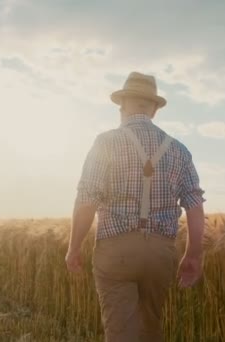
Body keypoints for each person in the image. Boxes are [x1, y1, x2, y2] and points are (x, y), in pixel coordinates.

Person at [65, 71, 206, 342]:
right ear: (153, 109)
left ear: (123, 105)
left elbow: (87, 198)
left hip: (116, 250)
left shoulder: (106, 142)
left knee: (121, 333)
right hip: (160, 253)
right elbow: (195, 203)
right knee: (150, 329)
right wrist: (194, 255)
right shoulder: (179, 150)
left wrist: (74, 246)